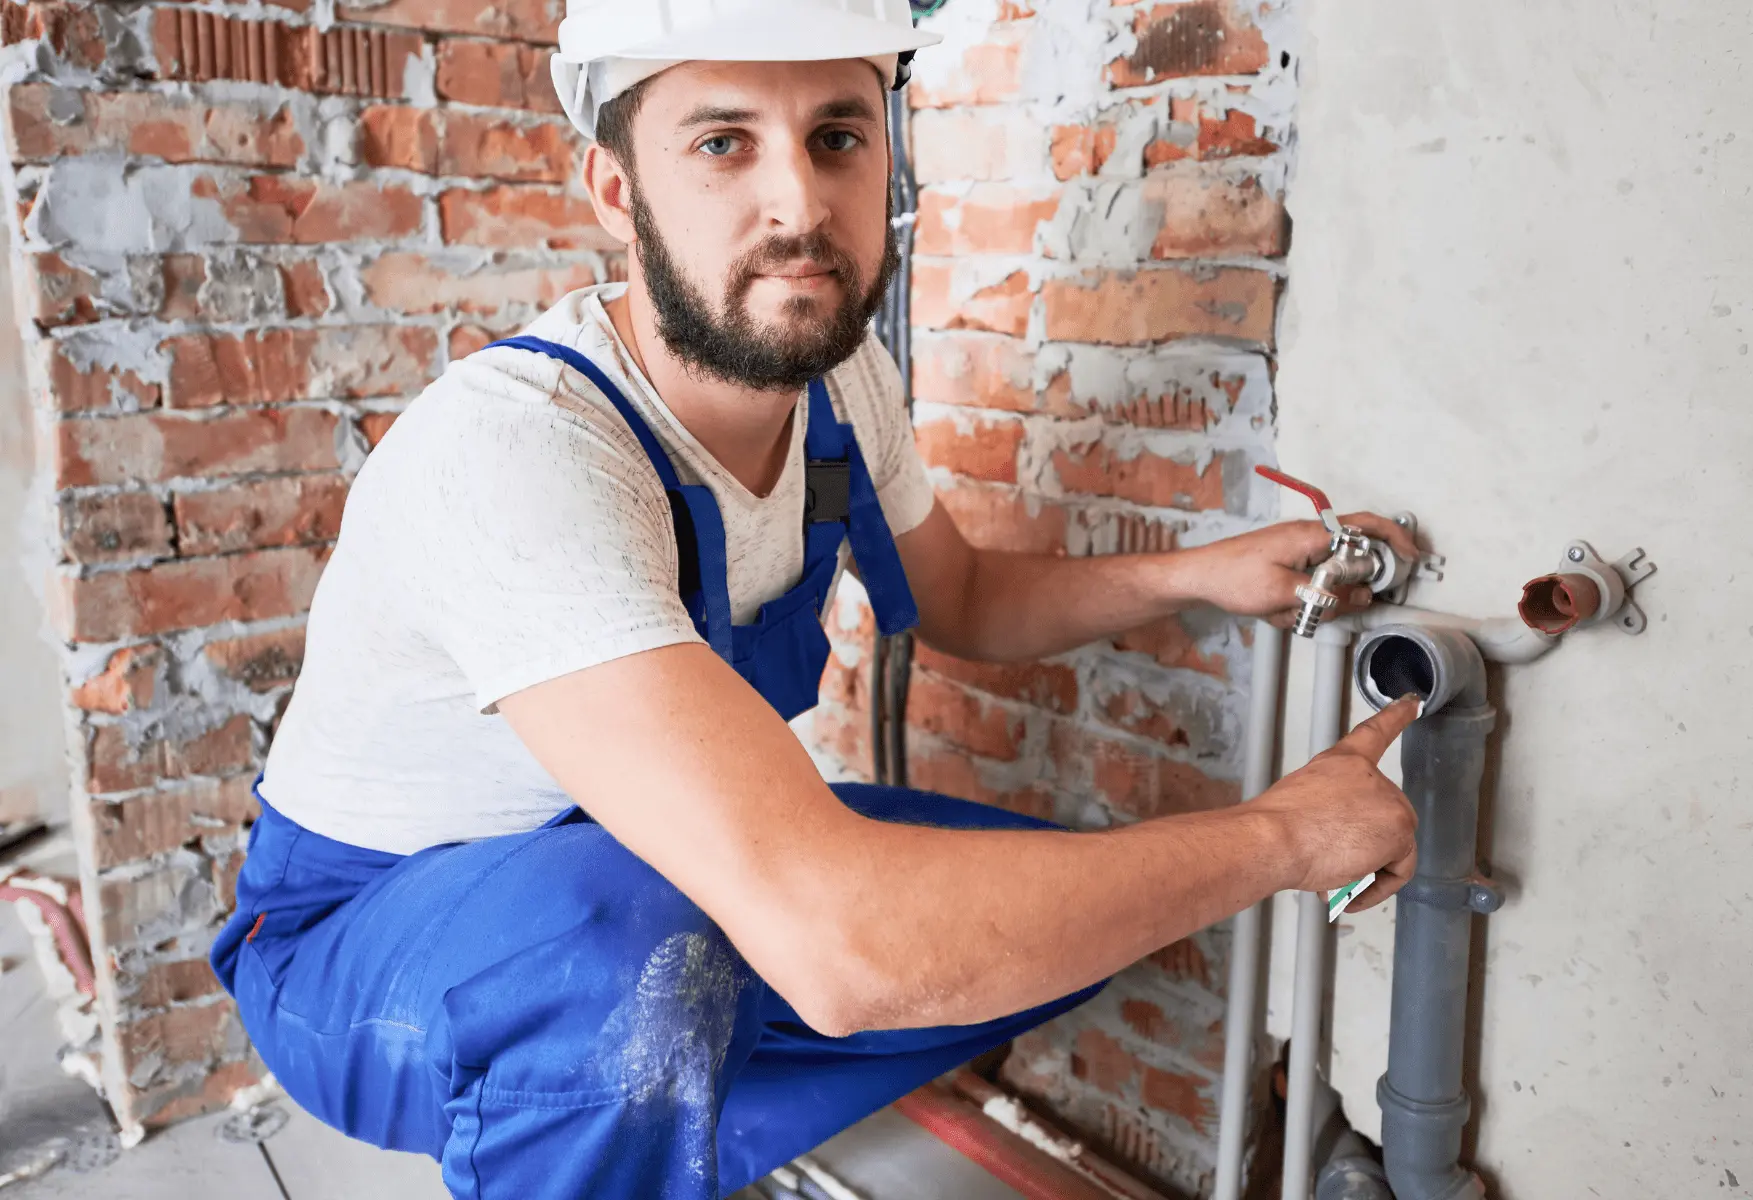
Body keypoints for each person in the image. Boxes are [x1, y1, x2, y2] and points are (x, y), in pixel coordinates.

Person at [209, 2, 1422, 1196]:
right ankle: (590, 1133)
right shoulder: (524, 450)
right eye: (722, 142)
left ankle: (656, 1137)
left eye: (837, 137)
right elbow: (844, 952)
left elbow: (967, 600)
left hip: (625, 880)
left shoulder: (844, 386)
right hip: (356, 944)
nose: (799, 205)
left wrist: (1195, 573)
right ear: (617, 191)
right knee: (667, 952)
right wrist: (1282, 839)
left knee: (1043, 919)